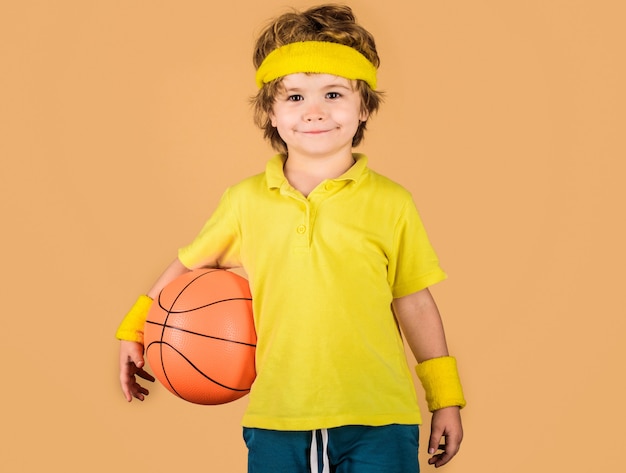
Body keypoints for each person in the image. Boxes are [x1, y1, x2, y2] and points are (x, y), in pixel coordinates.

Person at [116, 4, 466, 472]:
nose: (315, 111)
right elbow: (188, 265)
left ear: (364, 106)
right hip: (279, 417)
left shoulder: (393, 202)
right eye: (295, 97)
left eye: (334, 93)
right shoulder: (245, 201)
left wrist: (445, 398)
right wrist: (133, 329)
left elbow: (415, 302)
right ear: (271, 114)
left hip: (381, 417)